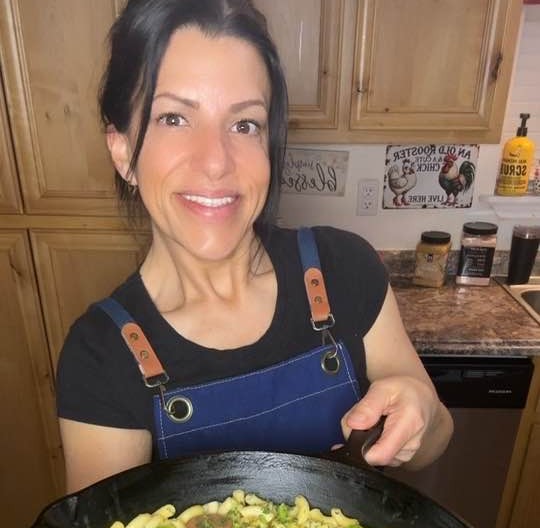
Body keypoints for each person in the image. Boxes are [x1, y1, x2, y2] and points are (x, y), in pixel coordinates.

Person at [56, 0, 453, 494]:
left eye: (245, 124)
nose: (217, 161)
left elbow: (433, 440)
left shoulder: (343, 268)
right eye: (174, 119)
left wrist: (421, 406)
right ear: (123, 152)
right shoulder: (101, 354)